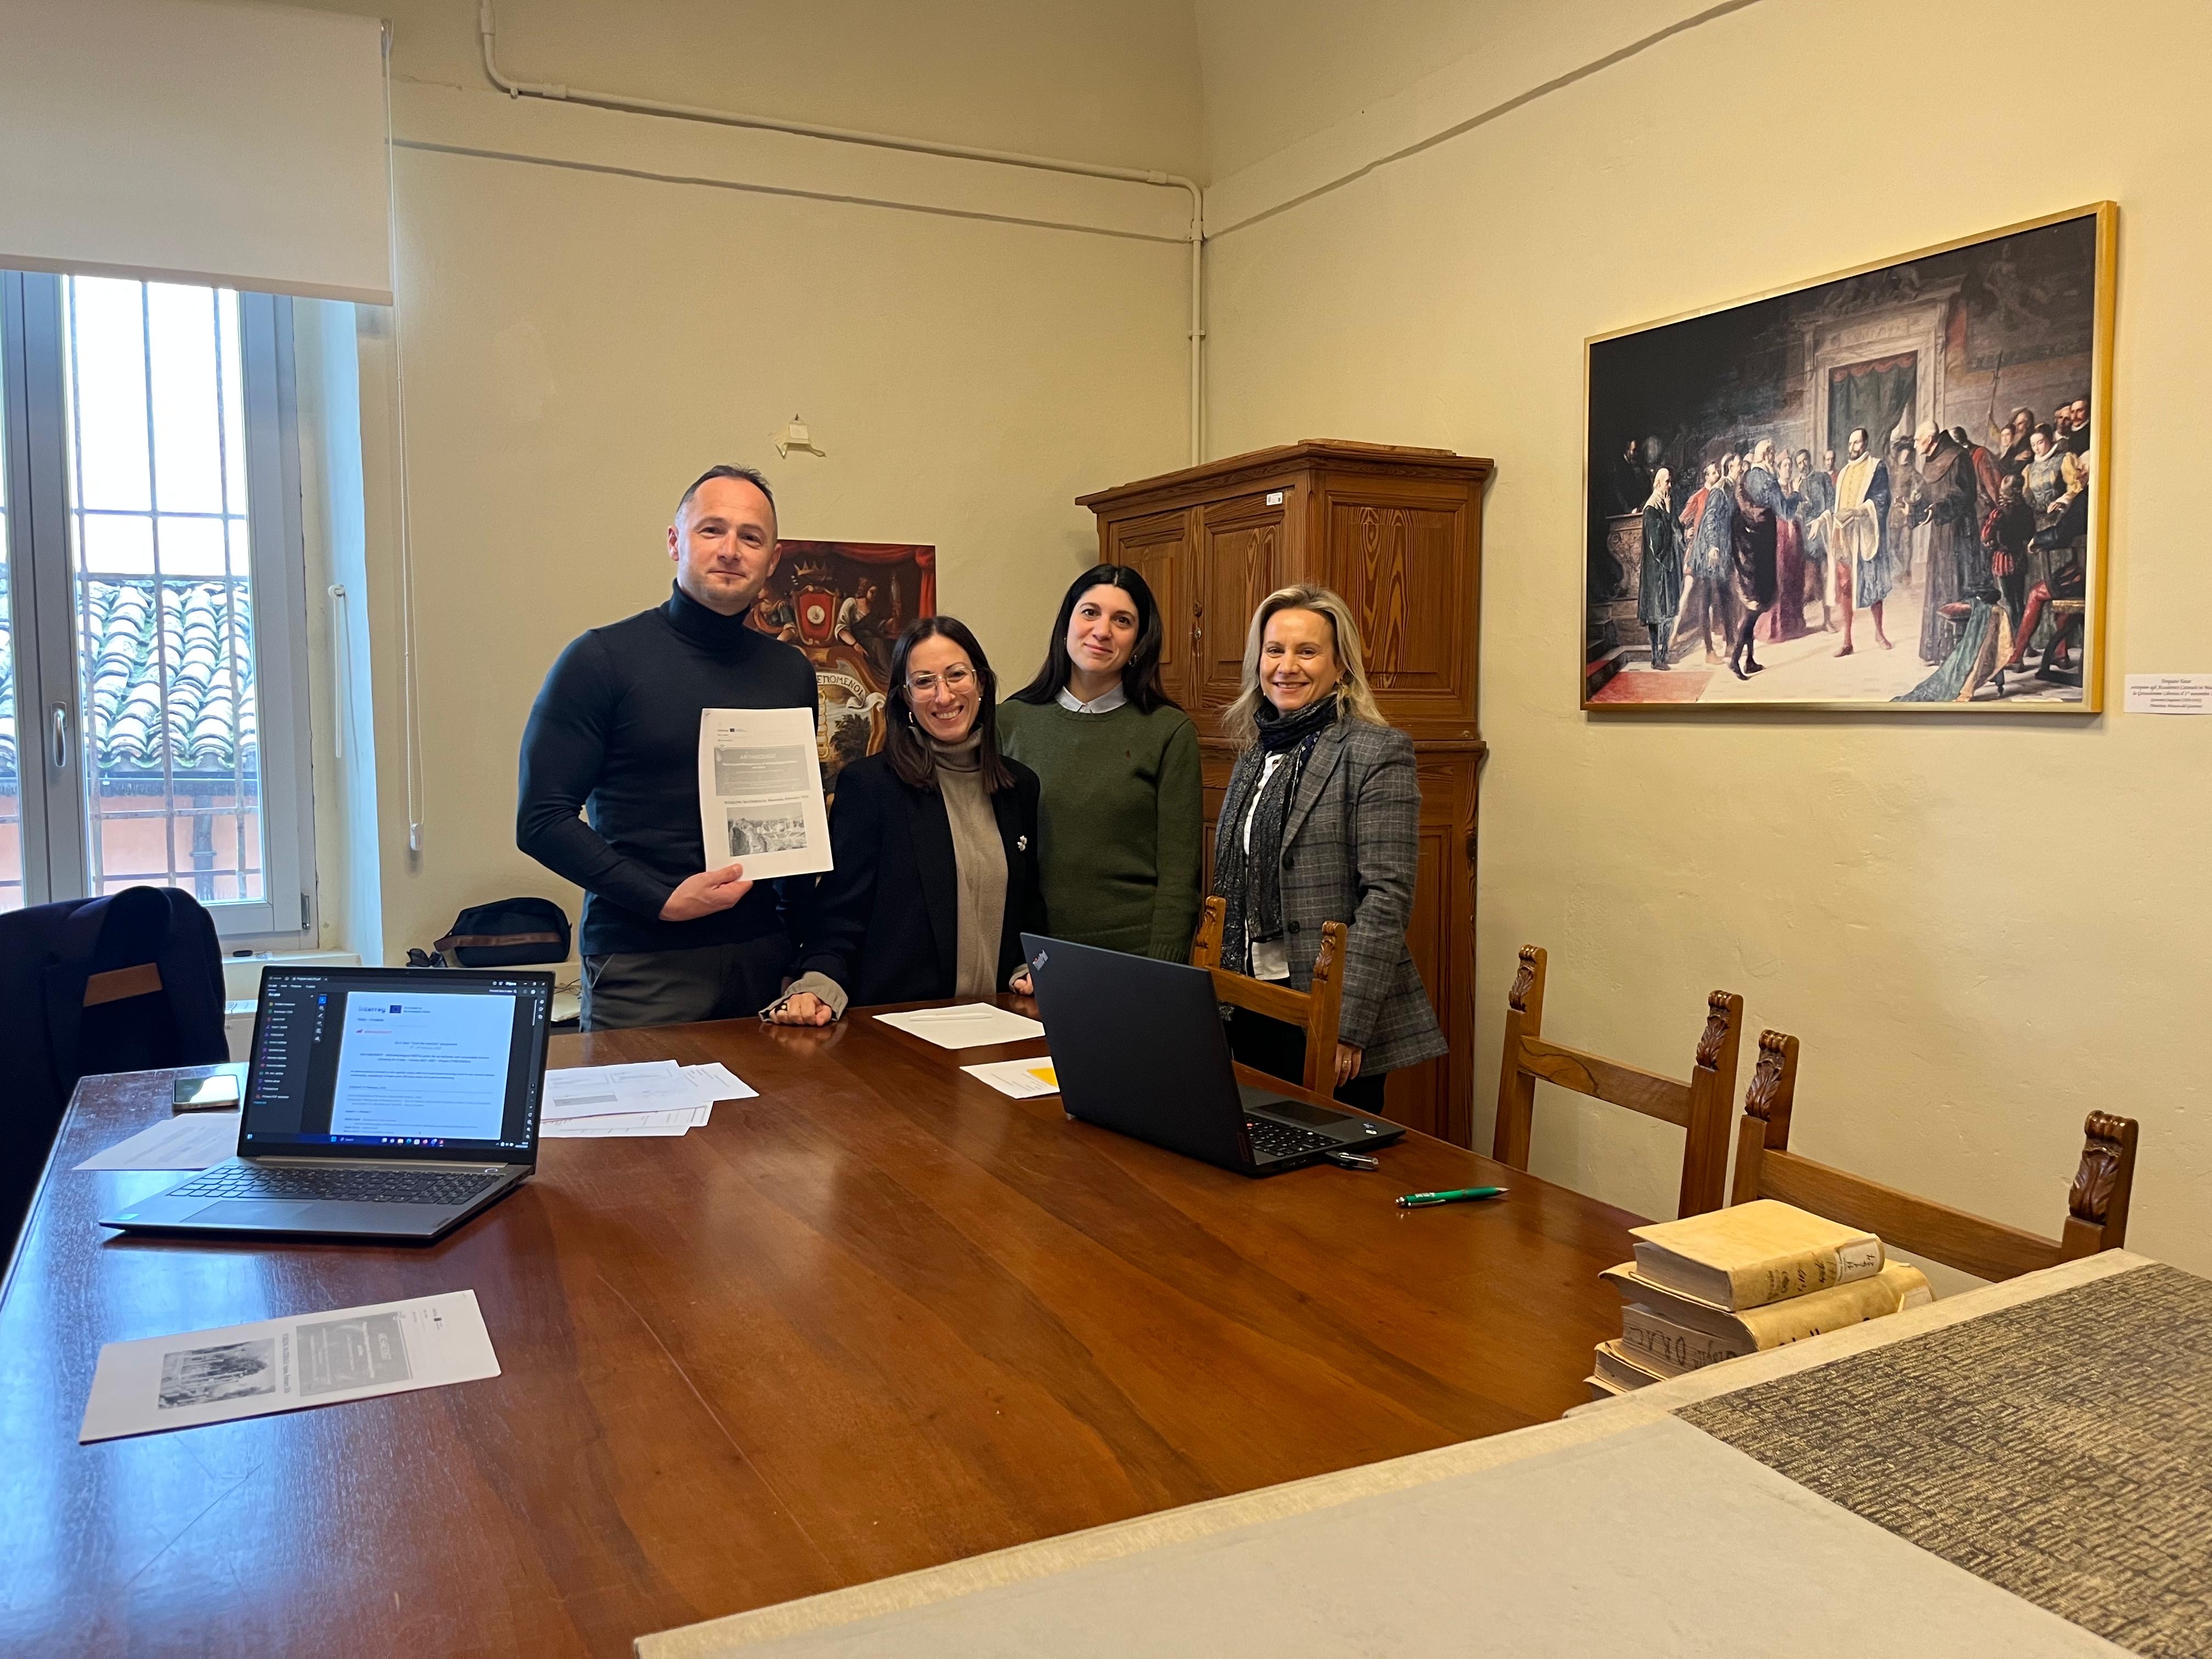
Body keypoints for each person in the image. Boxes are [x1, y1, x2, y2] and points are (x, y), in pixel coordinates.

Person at [517, 464, 817, 1031]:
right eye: (712, 530)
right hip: (643, 962)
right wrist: (662, 898)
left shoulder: (790, 672)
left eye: (751, 537)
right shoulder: (601, 660)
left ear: (773, 560)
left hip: (763, 959)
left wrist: (803, 955)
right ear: (676, 541)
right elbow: (541, 820)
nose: (730, 550)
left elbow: (791, 826)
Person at [1209, 585, 1446, 1112]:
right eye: (1274, 650)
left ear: (1340, 666)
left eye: (1308, 652)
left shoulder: (1376, 751)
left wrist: (1343, 1022)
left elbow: (1386, 899)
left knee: (1324, 1159)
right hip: (1245, 1001)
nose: (1286, 667)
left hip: (1323, 1007)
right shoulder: (1255, 754)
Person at [769, 617, 1045, 1023]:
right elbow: (841, 914)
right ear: (905, 698)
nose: (944, 695)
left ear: (982, 684)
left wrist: (1029, 968)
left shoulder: (1019, 787)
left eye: (956, 675)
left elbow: (1027, 910)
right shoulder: (870, 787)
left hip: (999, 1026)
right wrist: (817, 984)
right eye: (924, 682)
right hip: (902, 1028)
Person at [998, 565, 1203, 960]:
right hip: (1030, 953)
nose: (1102, 631)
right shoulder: (1010, 721)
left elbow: (1180, 875)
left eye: (1122, 620)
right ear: (1066, 625)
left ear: (1140, 641)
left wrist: (1165, 964)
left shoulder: (1169, 731)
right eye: (1090, 612)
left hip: (1132, 955)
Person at [1915, 421, 1981, 663]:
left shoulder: (1958, 457)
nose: (1915, 445)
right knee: (1938, 585)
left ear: (1930, 439)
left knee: (1955, 584)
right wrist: (1914, 508)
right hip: (1940, 534)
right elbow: (1927, 497)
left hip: (1959, 533)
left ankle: (1957, 653)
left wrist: (1941, 508)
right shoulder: (1931, 461)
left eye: (1918, 440)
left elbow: (1965, 496)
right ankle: (1937, 650)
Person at [1830, 427, 1892, 655]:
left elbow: (1882, 499)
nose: (1852, 447)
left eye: (1856, 443)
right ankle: (1847, 641)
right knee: (1845, 587)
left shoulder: (1877, 467)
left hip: (1866, 535)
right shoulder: (1845, 472)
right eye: (1850, 443)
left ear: (1865, 444)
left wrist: (1859, 512)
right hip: (1846, 539)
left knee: (1873, 585)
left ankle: (1879, 633)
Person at [1672, 457, 1737, 663]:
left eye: (1717, 471)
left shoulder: (1723, 491)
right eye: (1713, 472)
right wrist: (1689, 532)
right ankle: (1707, 649)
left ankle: (1730, 643)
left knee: (1725, 595)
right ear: (1706, 476)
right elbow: (1685, 520)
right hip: (1704, 552)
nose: (1717, 475)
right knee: (1704, 598)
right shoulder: (1701, 496)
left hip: (1718, 551)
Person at [1726, 442, 1783, 679]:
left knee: (1756, 607)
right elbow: (1752, 516)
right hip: (1749, 555)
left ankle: (1749, 660)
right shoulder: (1744, 486)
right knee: (1754, 608)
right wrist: (1769, 512)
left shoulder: (1749, 483)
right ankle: (1735, 659)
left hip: (1757, 550)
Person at [1637, 469, 1683, 669]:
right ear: (1658, 484)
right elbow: (1657, 543)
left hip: (1666, 567)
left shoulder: (1665, 504)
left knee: (1668, 612)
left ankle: (1664, 654)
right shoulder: (1652, 508)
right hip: (1656, 570)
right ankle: (1656, 658)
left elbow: (1675, 530)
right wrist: (1667, 513)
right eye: (1667, 482)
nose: (1670, 486)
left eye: (1670, 482)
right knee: (1657, 615)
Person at [1795, 447, 1835, 631]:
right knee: (1809, 583)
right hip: (1807, 539)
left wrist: (1824, 520)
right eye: (1799, 463)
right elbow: (1797, 513)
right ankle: (1800, 621)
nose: (1802, 465)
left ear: (1810, 460)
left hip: (1824, 535)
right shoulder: (1798, 485)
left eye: (1805, 460)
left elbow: (1832, 503)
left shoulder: (1823, 478)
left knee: (1826, 578)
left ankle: (1827, 620)